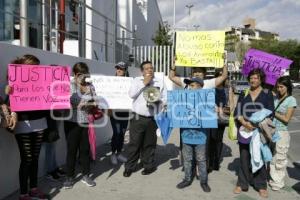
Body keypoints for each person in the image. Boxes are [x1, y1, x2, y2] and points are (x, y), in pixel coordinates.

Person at [7, 55, 48, 200]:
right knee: (27, 159)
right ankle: (23, 194)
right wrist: (9, 93)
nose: (34, 69)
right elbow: (10, 103)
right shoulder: (14, 80)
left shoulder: (43, 80)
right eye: (31, 66)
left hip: (40, 123)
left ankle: (34, 189)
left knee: (35, 158)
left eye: (36, 66)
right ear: (22, 66)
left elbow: (49, 98)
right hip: (23, 125)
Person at [233, 69, 274, 198]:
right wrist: (244, 123)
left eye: (256, 78)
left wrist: (257, 124)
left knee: (259, 157)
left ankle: (261, 185)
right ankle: (242, 183)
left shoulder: (267, 94)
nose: (253, 80)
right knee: (244, 156)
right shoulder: (244, 93)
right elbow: (237, 111)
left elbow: (271, 113)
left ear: (261, 79)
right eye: (251, 78)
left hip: (259, 131)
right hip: (245, 130)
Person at [123, 61, 167, 177]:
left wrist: (160, 101)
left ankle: (148, 166)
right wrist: (144, 83)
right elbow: (131, 94)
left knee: (149, 144)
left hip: (153, 118)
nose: (150, 70)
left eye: (151, 68)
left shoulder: (159, 82)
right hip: (137, 117)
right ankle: (129, 167)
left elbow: (165, 98)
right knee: (134, 144)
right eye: (147, 69)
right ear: (142, 71)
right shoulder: (137, 80)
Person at [63, 62, 97, 189]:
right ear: (75, 74)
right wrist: (76, 105)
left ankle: (86, 175)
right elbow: (62, 102)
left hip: (86, 121)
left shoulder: (90, 86)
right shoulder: (69, 85)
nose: (83, 77)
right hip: (71, 122)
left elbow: (96, 101)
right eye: (80, 75)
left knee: (85, 150)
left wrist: (91, 104)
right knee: (72, 150)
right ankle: (69, 177)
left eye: (85, 74)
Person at [175, 77, 211, 192]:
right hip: (186, 136)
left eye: (192, 85)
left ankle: (204, 181)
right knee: (187, 159)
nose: (190, 87)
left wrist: (215, 110)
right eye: (189, 85)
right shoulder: (182, 99)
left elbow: (212, 114)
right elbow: (176, 113)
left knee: (201, 159)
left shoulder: (207, 100)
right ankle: (187, 179)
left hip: (200, 137)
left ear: (200, 87)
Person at [269, 76, 297, 191]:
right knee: (271, 157)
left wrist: (273, 112)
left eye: (281, 87)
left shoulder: (291, 100)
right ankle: (272, 178)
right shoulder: (275, 98)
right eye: (278, 87)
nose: (279, 89)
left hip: (281, 132)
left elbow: (286, 119)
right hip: (271, 130)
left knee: (280, 158)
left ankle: (278, 182)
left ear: (287, 87)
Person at [207, 70, 230, 172]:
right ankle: (209, 163)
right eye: (219, 77)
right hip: (211, 118)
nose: (221, 79)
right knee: (211, 140)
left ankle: (216, 162)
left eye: (223, 77)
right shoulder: (211, 89)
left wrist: (224, 109)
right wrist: (214, 108)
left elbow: (232, 106)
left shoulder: (228, 89)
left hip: (222, 118)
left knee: (219, 140)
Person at [109, 62, 130, 165]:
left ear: (125, 70)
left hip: (125, 112)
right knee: (116, 133)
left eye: (121, 68)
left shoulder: (129, 82)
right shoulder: (110, 82)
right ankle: (113, 153)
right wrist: (108, 110)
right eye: (117, 68)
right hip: (114, 112)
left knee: (122, 133)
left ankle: (119, 153)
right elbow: (107, 95)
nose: (119, 70)